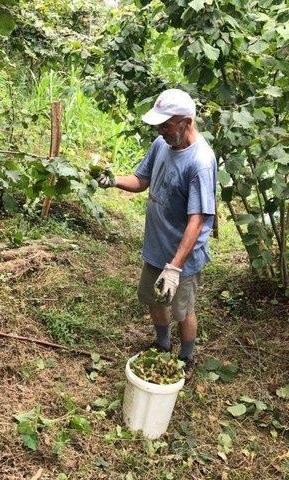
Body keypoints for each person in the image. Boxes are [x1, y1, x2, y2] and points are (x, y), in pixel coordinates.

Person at [96, 88, 217, 375]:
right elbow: (141, 180)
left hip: (181, 257)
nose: (160, 130)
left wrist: (175, 267)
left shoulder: (199, 162)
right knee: (152, 298)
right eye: (158, 125)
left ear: (186, 122)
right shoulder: (162, 144)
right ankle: (162, 344)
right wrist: (113, 180)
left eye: (166, 124)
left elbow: (196, 221)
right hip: (156, 246)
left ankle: (187, 357)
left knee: (182, 309)